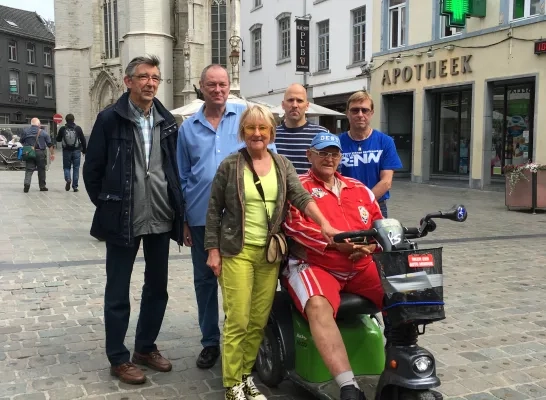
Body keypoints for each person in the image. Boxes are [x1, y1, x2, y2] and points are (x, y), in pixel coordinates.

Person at [205, 105, 339, 400]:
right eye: (251, 128)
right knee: (238, 319)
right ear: (243, 132)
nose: (256, 133)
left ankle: (244, 377)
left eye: (262, 128)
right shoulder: (230, 165)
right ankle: (231, 385)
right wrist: (213, 250)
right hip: (236, 251)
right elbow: (213, 210)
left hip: (269, 254)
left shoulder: (282, 164)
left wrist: (324, 223)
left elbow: (301, 196)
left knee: (258, 320)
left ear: (271, 132)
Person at [83, 55, 184, 385]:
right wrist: (109, 204)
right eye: (144, 77)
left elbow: (174, 168)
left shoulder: (167, 121)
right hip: (123, 218)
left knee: (157, 288)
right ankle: (118, 357)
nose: (151, 83)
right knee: (117, 291)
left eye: (155, 78)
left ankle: (145, 347)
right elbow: (92, 170)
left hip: (160, 215)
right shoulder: (110, 119)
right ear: (128, 82)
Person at [178, 64, 276, 369]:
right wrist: (184, 218)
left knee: (240, 282)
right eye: (211, 85)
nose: (217, 90)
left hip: (242, 217)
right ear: (201, 87)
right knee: (205, 281)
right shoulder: (187, 128)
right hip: (199, 215)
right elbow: (183, 176)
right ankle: (210, 342)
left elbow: (267, 159)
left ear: (229, 85)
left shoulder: (246, 117)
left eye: (222, 84)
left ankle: (240, 340)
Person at [282, 132, 385, 400]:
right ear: (309, 155)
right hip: (316, 263)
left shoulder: (359, 188)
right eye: (322, 153)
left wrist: (373, 246)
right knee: (317, 305)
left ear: (341, 157)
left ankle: (399, 360)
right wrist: (334, 245)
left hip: (361, 264)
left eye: (334, 153)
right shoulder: (298, 186)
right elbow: (294, 226)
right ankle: (347, 385)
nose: (329, 158)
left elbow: (380, 226)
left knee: (399, 291)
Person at [338, 91, 402, 218]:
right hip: (345, 207)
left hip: (377, 205)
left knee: (378, 238)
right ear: (347, 114)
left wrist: (363, 203)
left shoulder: (385, 142)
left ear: (371, 113)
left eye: (365, 110)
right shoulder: (337, 143)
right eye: (355, 110)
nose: (360, 114)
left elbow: (386, 182)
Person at [275, 83, 329, 175]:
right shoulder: (272, 135)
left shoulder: (321, 134)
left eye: (299, 101)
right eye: (290, 100)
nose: (295, 105)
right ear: (283, 105)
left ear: (307, 105)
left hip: (310, 189)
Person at [20, 118, 55, 193]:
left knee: (29, 169)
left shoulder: (25, 131)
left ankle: (27, 184)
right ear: (38, 124)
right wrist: (52, 154)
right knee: (41, 170)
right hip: (40, 153)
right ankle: (42, 186)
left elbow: (21, 141)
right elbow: (50, 144)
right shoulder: (43, 132)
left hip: (29, 153)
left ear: (31, 124)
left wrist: (28, 145)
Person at [56, 113, 87, 192]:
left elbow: (58, 139)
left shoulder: (63, 128)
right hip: (76, 150)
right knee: (76, 168)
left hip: (66, 151)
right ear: (73, 120)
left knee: (66, 167)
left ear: (66, 120)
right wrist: (84, 150)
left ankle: (68, 179)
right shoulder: (78, 128)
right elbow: (83, 140)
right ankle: (75, 186)